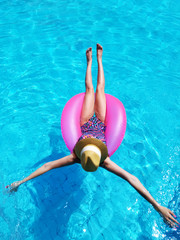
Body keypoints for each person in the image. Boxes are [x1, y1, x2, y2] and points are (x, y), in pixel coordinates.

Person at [6, 44, 179, 228]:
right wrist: (157, 205)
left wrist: (22, 182)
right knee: (99, 89)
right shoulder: (102, 161)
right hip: (101, 124)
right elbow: (132, 179)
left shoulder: (75, 157)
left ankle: (92, 61)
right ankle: (96, 60)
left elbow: (48, 166)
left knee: (90, 90)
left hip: (85, 122)